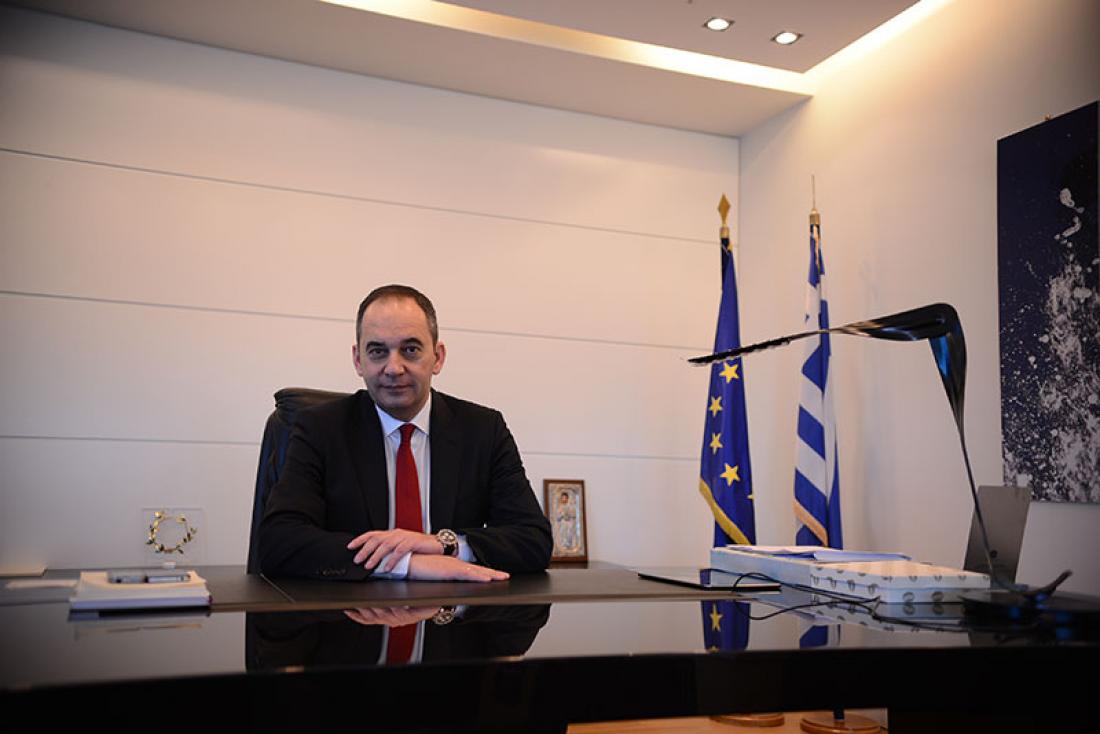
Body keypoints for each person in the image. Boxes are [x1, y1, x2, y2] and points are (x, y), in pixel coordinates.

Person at [258, 285, 552, 582]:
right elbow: (279, 543)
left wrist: (444, 545)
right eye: (377, 352)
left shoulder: (483, 430)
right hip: (352, 608)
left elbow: (533, 540)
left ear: (438, 357)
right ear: (358, 360)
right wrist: (408, 564)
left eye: (410, 350)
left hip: (454, 608)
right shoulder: (320, 429)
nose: (394, 368)